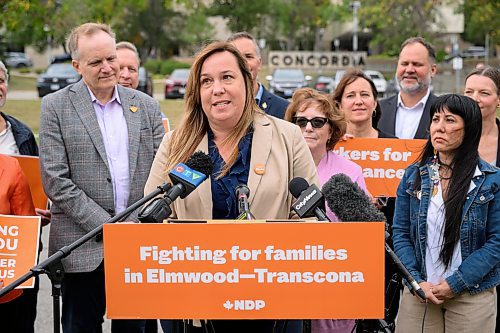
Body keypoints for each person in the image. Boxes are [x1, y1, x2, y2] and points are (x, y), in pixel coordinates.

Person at [144, 41, 318, 333]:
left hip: (273, 306)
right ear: (197, 92)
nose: (217, 89)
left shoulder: (287, 136)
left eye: (227, 77)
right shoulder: (175, 143)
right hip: (195, 308)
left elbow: (311, 215)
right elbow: (152, 220)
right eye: (206, 81)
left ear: (248, 82)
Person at [39, 22, 164, 333]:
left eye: (111, 58)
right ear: (77, 66)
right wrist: (109, 226)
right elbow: (56, 180)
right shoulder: (55, 107)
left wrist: (136, 225)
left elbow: (162, 172)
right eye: (96, 62)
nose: (108, 68)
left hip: (138, 244)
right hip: (80, 247)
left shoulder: (146, 107)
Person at [392, 94, 499, 333]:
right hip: (420, 292)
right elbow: (400, 233)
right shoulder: (413, 176)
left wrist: (456, 282)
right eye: (436, 119)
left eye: (450, 120)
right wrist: (416, 280)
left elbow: (496, 242)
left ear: (469, 129)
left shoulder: (491, 180)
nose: (439, 127)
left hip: (472, 292)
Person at [285, 87, 368, 333]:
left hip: (333, 279)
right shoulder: (277, 168)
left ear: (331, 129)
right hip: (288, 279)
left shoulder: (350, 171)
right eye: (301, 121)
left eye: (317, 122)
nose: (308, 128)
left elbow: (362, 236)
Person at [332, 69, 400, 331]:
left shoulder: (394, 147)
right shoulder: (330, 146)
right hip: (340, 251)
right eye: (350, 96)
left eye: (365, 94)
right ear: (339, 105)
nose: (358, 101)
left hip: (383, 252)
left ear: (375, 103)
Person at [0, 59, 50, 333]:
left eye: (1, 80)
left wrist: (38, 214)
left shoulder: (21, 133)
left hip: (14, 257)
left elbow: (36, 187)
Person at [463, 65, 500, 333]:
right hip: (464, 255)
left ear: (498, 99)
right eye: (469, 91)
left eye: (484, 92)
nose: (475, 98)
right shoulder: (449, 138)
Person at [378, 37, 438, 139]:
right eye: (404, 64)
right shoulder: (377, 111)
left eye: (417, 64)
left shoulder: (443, 112)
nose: (409, 70)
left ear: (432, 70)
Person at [228, 31, 289, 119]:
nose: (243, 63)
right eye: (236, 57)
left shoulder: (285, 109)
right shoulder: (217, 107)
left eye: (248, 56)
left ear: (259, 63)